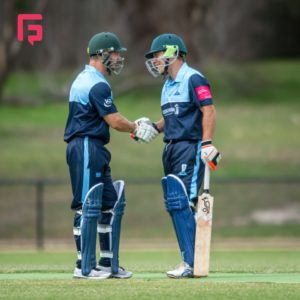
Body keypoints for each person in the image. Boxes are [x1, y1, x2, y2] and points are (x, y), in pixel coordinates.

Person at [64, 32, 158, 279]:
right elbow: (114, 121)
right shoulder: (96, 83)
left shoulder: (90, 79)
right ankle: (83, 266)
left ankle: (107, 264)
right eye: (115, 53)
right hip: (85, 145)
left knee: (109, 201)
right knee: (87, 204)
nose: (118, 58)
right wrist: (136, 127)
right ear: (101, 54)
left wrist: (132, 125)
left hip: (94, 147)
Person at [144, 33, 221, 278]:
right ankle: (189, 260)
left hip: (190, 147)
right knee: (175, 205)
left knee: (184, 203)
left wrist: (207, 143)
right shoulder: (167, 86)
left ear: (172, 53)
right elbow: (171, 117)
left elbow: (208, 110)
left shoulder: (193, 78)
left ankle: (190, 263)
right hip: (171, 149)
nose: (155, 61)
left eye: (157, 55)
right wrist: (154, 128)